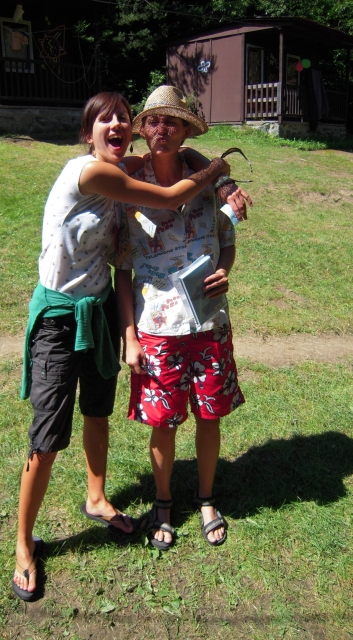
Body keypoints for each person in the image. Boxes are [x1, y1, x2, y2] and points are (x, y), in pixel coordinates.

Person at [13, 90, 229, 600]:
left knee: (97, 413)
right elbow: (170, 196)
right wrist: (219, 169)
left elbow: (177, 153)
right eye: (104, 119)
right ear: (86, 132)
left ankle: (96, 498)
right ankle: (23, 543)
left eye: (123, 119)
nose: (116, 125)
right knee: (47, 438)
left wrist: (222, 178)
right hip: (60, 317)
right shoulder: (89, 172)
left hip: (102, 308)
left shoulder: (122, 168)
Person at [115, 85, 251, 550]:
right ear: (142, 130)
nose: (162, 129)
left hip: (209, 323)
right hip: (157, 330)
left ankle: (207, 499)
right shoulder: (127, 184)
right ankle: (164, 502)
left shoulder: (208, 181)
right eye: (153, 121)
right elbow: (122, 270)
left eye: (171, 122)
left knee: (210, 416)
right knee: (163, 422)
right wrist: (130, 336)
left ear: (186, 130)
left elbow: (227, 238)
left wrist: (224, 270)